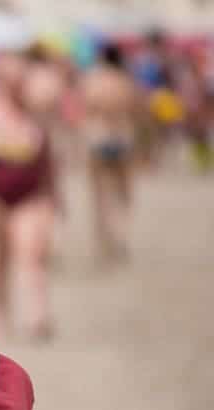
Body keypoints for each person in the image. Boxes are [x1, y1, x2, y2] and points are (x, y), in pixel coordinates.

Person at [0, 49, 59, 340]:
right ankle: (1, 316)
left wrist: (55, 193)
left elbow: (48, 154)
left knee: (32, 253)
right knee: (1, 257)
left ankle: (38, 314)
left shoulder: (38, 107)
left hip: (32, 193)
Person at [81, 44, 142, 263]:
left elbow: (87, 109)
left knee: (100, 195)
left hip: (98, 138)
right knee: (123, 194)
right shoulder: (125, 81)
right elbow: (136, 111)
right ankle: (121, 234)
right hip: (122, 138)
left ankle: (104, 241)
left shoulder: (94, 81)